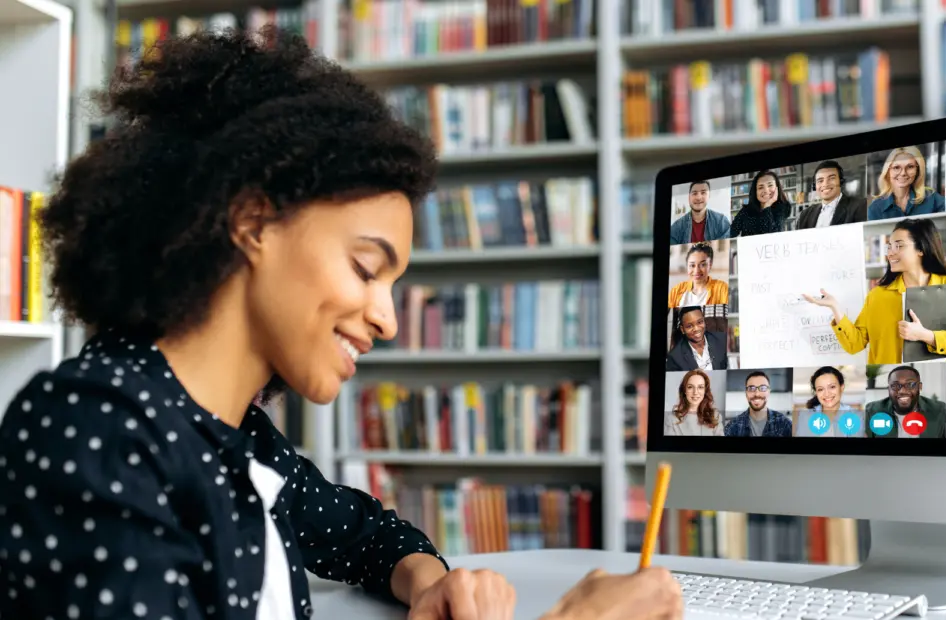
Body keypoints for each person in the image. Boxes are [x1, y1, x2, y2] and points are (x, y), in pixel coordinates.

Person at [0, 28, 683, 620]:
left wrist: (428, 580)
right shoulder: (95, 426)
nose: (387, 319)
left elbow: (365, 535)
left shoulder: (236, 436)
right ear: (252, 221)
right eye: (365, 268)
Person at [803, 218, 946, 364]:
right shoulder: (878, 295)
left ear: (921, 249)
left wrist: (926, 336)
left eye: (899, 246)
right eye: (889, 247)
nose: (890, 253)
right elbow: (854, 344)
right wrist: (835, 307)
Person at [863, 366, 946, 438]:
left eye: (910, 384)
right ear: (889, 389)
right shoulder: (871, 411)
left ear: (919, 387)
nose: (902, 391)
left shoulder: (941, 410)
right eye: (895, 385)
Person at [866, 146, 945, 220]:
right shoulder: (875, 208)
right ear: (888, 171)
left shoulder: (932, 198)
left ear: (917, 170)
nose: (903, 173)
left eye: (910, 167)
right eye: (896, 167)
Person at [794, 160, 868, 228]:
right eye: (820, 180)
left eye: (831, 178)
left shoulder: (860, 206)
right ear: (815, 186)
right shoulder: (805, 215)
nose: (825, 184)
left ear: (841, 181)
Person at [795, 366, 863, 438]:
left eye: (832, 387)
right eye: (820, 389)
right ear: (816, 393)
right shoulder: (806, 417)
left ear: (842, 387)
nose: (827, 394)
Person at [724, 371, 793, 437]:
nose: (757, 394)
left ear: (769, 392)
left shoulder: (784, 424)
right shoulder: (733, 427)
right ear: (746, 393)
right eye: (751, 388)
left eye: (763, 388)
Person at [665, 306, 729, 371]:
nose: (696, 329)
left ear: (704, 321)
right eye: (689, 326)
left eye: (699, 322)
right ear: (682, 329)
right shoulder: (674, 357)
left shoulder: (722, 340)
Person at [666, 242, 730, 307]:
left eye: (703, 265)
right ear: (687, 266)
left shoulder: (722, 289)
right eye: (692, 265)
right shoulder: (676, 290)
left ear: (710, 265)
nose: (697, 271)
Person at [668, 180, 731, 244]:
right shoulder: (676, 227)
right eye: (694, 193)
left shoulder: (721, 222)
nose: (698, 197)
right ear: (689, 197)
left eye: (703, 192)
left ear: (709, 196)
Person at [664, 370, 725, 436]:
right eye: (690, 387)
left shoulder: (715, 416)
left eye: (700, 387)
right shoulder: (671, 419)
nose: (695, 392)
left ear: (705, 391)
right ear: (684, 390)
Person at [730, 170, 790, 236]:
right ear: (755, 192)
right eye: (761, 187)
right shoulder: (745, 211)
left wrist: (767, 206)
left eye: (770, 185)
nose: (766, 190)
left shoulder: (782, 208)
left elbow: (773, 236)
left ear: (777, 188)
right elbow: (730, 233)